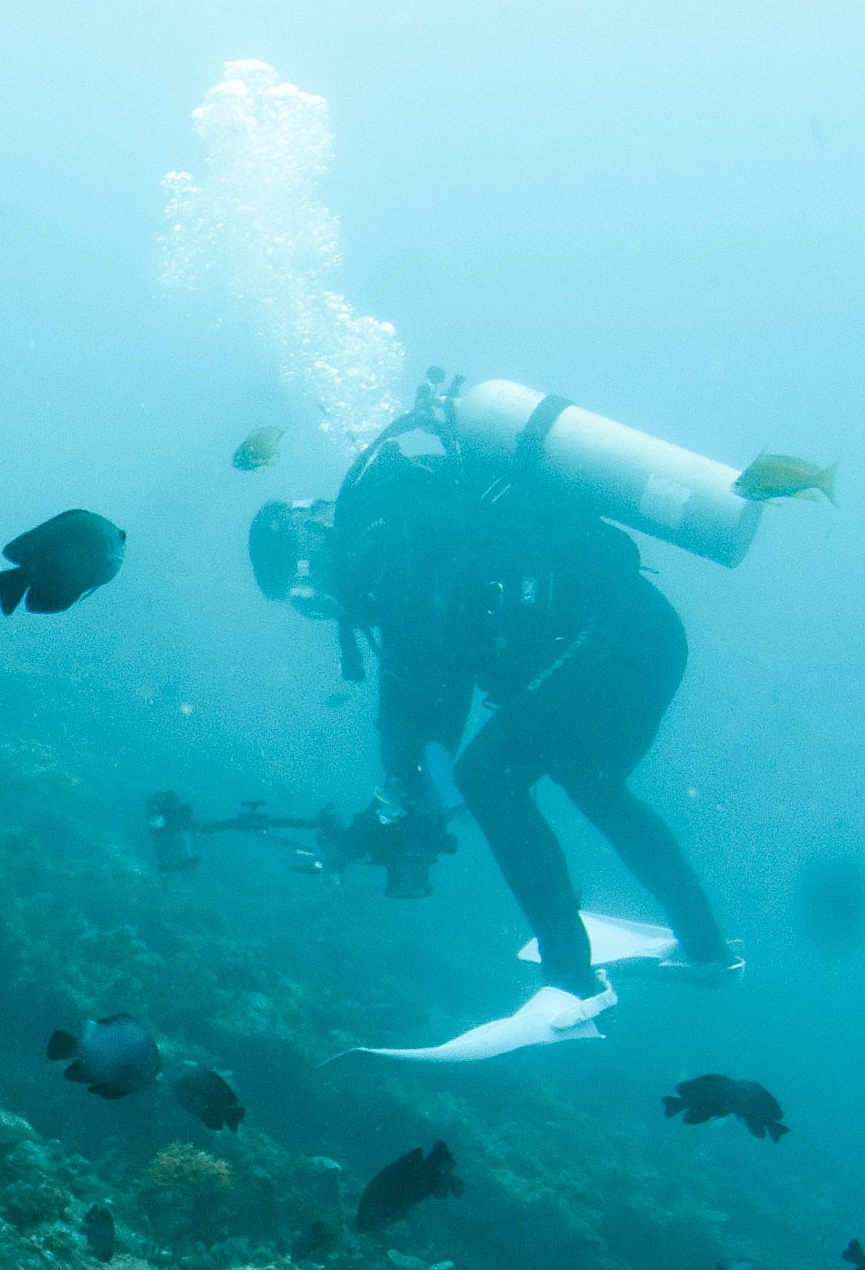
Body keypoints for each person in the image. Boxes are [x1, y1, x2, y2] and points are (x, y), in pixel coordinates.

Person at [313, 414, 733, 995]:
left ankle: (570, 977)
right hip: (650, 636)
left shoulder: (402, 557)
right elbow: (427, 696)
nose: (311, 603)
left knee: (488, 778)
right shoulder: (422, 532)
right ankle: (704, 946)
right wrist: (403, 796)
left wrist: (405, 794)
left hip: (610, 644)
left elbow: (437, 694)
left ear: (318, 546)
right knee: (591, 781)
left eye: (300, 587)